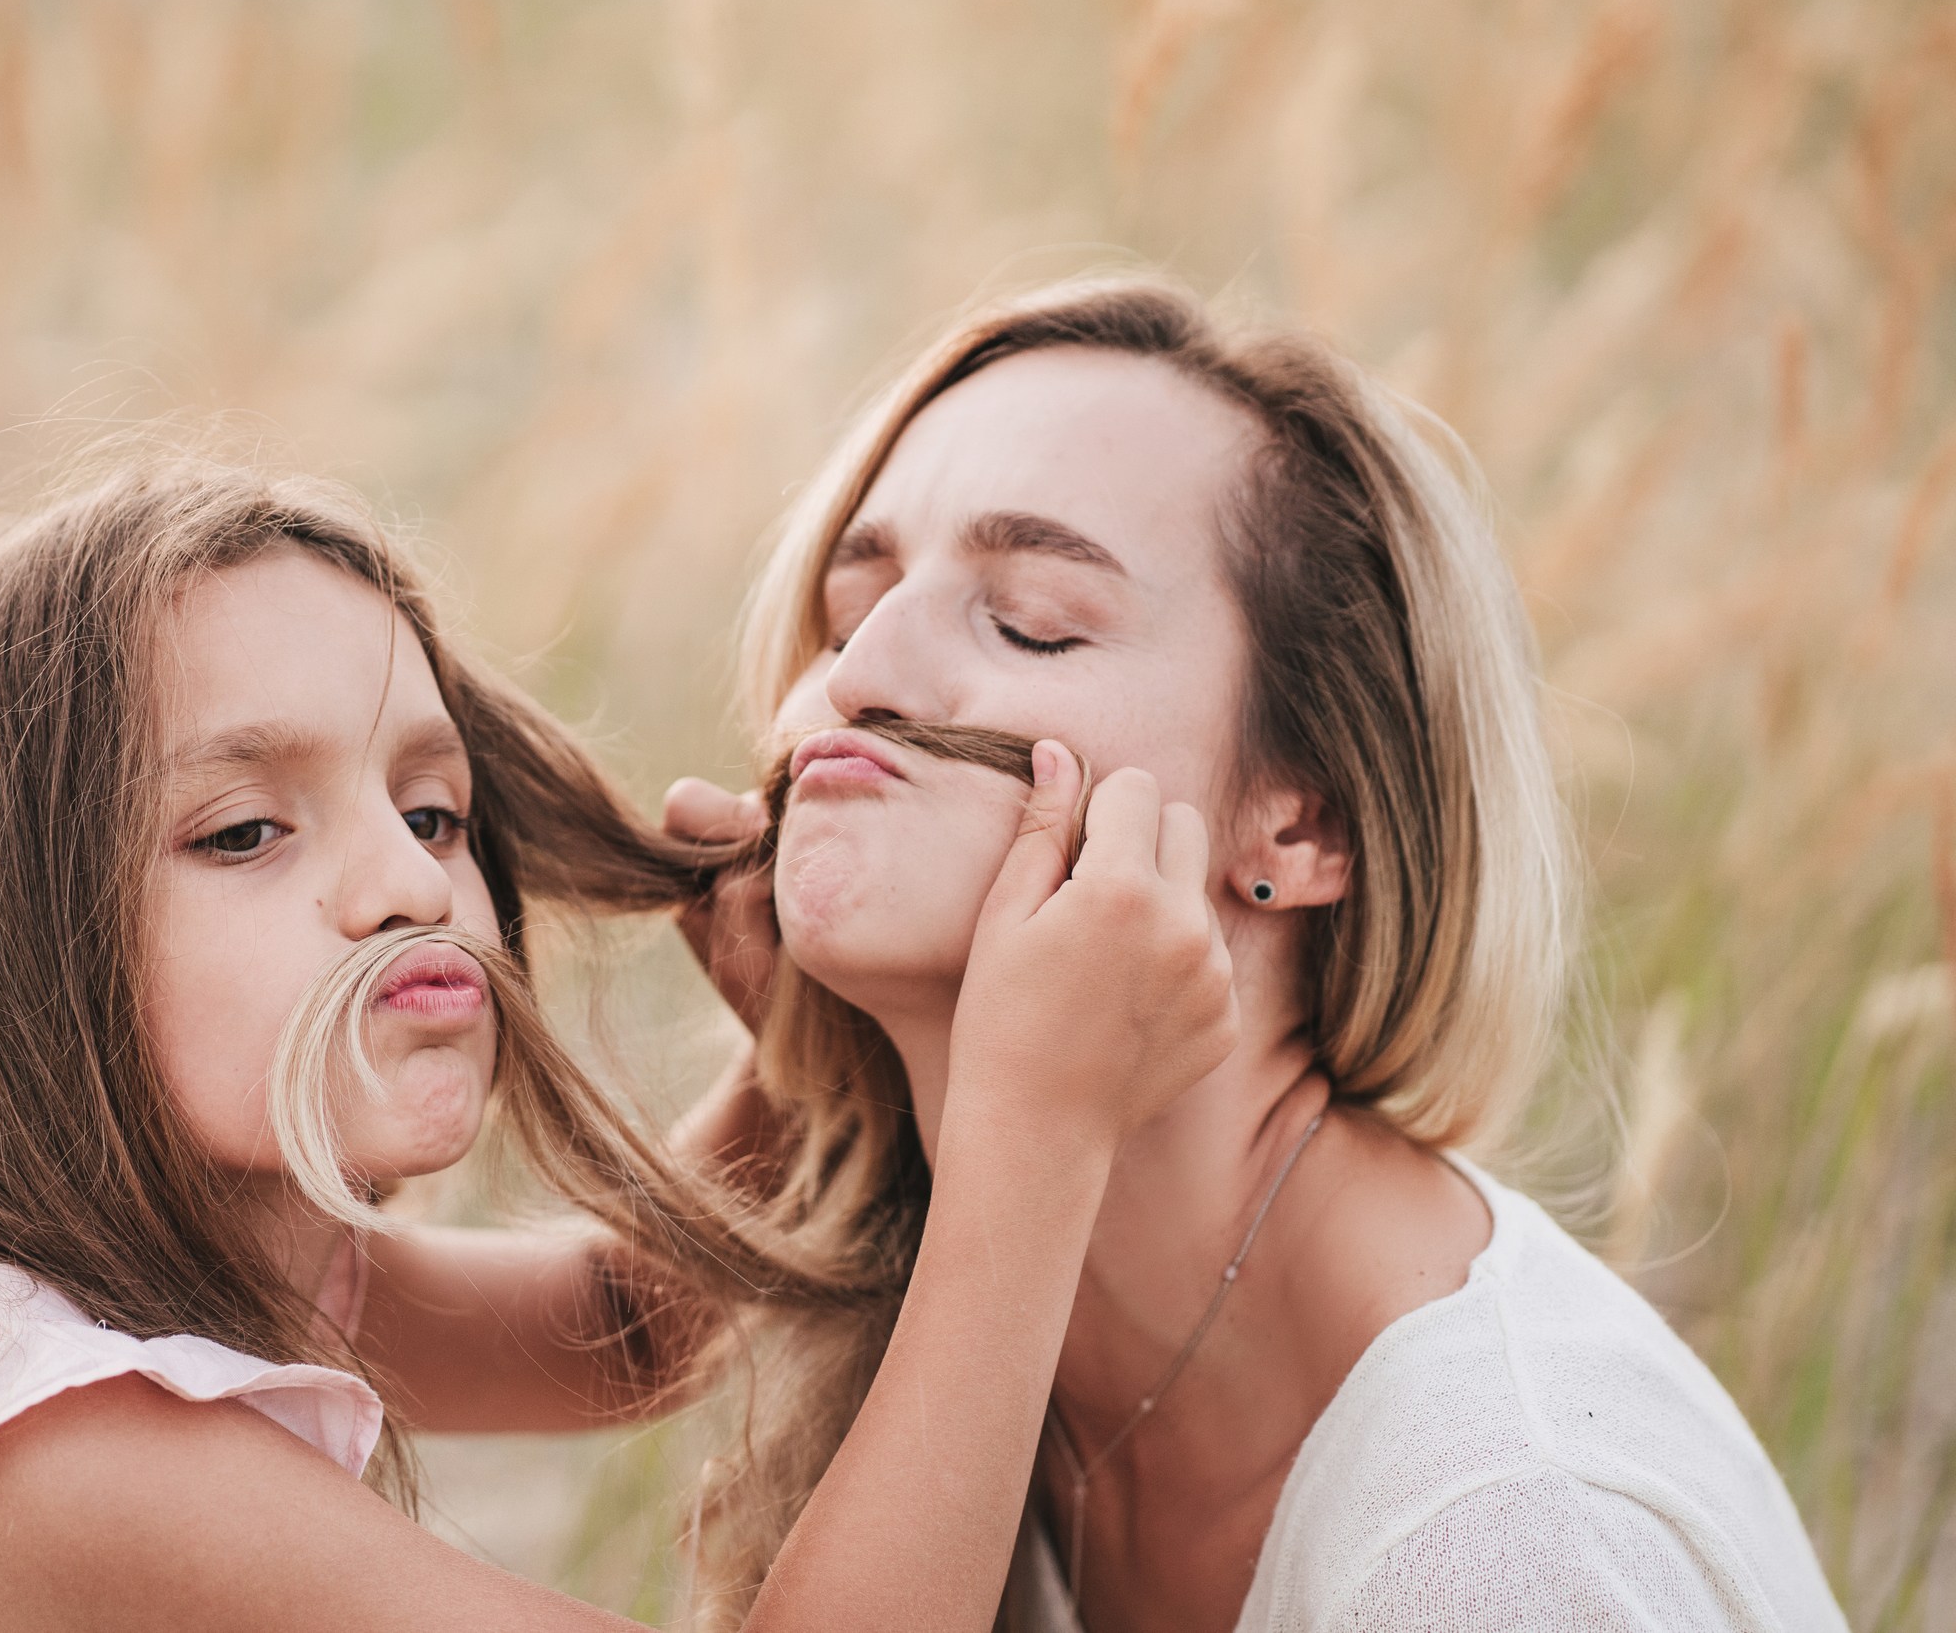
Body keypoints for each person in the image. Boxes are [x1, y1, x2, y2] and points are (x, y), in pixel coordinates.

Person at [0, 451, 1238, 1633]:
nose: (402, 885)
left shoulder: (177, 1266)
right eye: (241, 835)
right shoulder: (37, 1444)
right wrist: (1035, 1128)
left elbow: (618, 1335)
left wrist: (801, 1058)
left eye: (432, 808)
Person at [662, 277, 1849, 1633]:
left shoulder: (1512, 1549)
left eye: (1031, 618)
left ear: (1304, 821)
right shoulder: (970, 1318)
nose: (860, 673)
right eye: (842, 603)